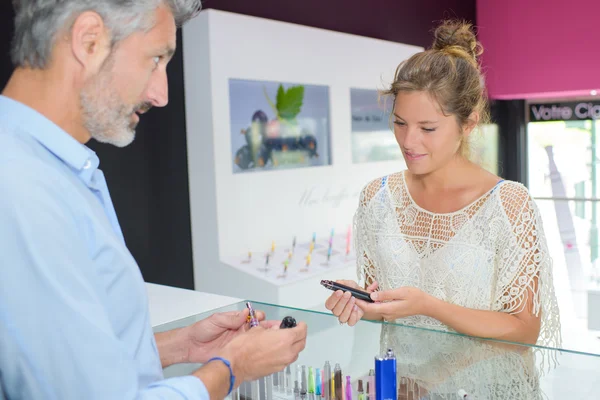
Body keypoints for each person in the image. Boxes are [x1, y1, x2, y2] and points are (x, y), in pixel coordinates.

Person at [0, 1, 307, 399]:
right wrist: (231, 369)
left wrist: (182, 346)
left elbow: (72, 366)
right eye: (156, 59)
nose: (161, 94)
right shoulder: (24, 187)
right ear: (89, 41)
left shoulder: (56, 172)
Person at [325, 20, 561, 349]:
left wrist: (431, 307)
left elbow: (525, 330)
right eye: (399, 123)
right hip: (406, 385)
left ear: (468, 124)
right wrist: (362, 304)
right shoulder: (375, 199)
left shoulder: (508, 205)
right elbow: (385, 307)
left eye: (428, 128)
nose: (409, 141)